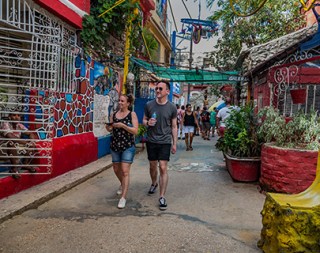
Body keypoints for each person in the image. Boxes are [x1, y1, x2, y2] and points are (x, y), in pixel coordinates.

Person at [143, 81, 177, 211]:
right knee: (153, 166)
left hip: (165, 141)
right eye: (156, 88)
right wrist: (148, 123)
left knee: (163, 167)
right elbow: (144, 120)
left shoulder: (172, 107)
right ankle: (154, 183)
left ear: (167, 91)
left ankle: (162, 196)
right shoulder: (149, 105)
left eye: (160, 89)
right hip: (151, 140)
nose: (157, 90)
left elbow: (174, 126)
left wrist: (174, 143)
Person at [106, 94, 138, 209]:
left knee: (125, 171)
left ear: (128, 103)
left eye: (122, 101)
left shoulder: (132, 114)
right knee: (116, 169)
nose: (120, 102)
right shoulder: (114, 114)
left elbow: (135, 131)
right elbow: (110, 129)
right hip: (115, 145)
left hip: (128, 146)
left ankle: (123, 197)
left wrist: (123, 125)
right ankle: (123, 184)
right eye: (119, 100)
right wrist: (109, 127)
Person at [0, 111, 37, 179]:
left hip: (14, 148)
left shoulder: (19, 125)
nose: (17, 117)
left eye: (18, 116)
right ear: (9, 117)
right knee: (11, 143)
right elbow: (10, 136)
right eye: (14, 115)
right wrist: (26, 143)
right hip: (3, 149)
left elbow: (30, 133)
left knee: (32, 144)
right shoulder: (5, 124)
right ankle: (14, 169)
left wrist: (31, 141)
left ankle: (25, 164)